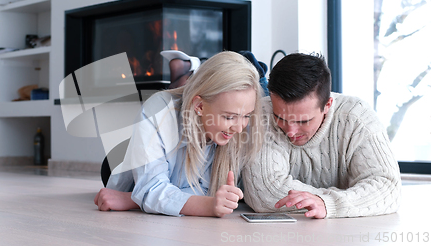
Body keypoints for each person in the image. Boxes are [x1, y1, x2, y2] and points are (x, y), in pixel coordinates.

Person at [95, 51, 265, 217]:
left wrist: (133, 200)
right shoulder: (157, 111)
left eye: (246, 116)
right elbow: (151, 188)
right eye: (229, 117)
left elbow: (199, 189)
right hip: (126, 164)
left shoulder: (239, 124)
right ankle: (184, 73)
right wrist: (209, 205)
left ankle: (185, 71)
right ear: (199, 106)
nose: (240, 128)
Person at [242, 53, 401, 219]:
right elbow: (265, 192)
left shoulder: (358, 118)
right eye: (280, 118)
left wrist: (327, 203)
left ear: (327, 105)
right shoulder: (263, 113)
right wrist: (353, 199)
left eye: (303, 121)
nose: (290, 131)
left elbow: (388, 187)